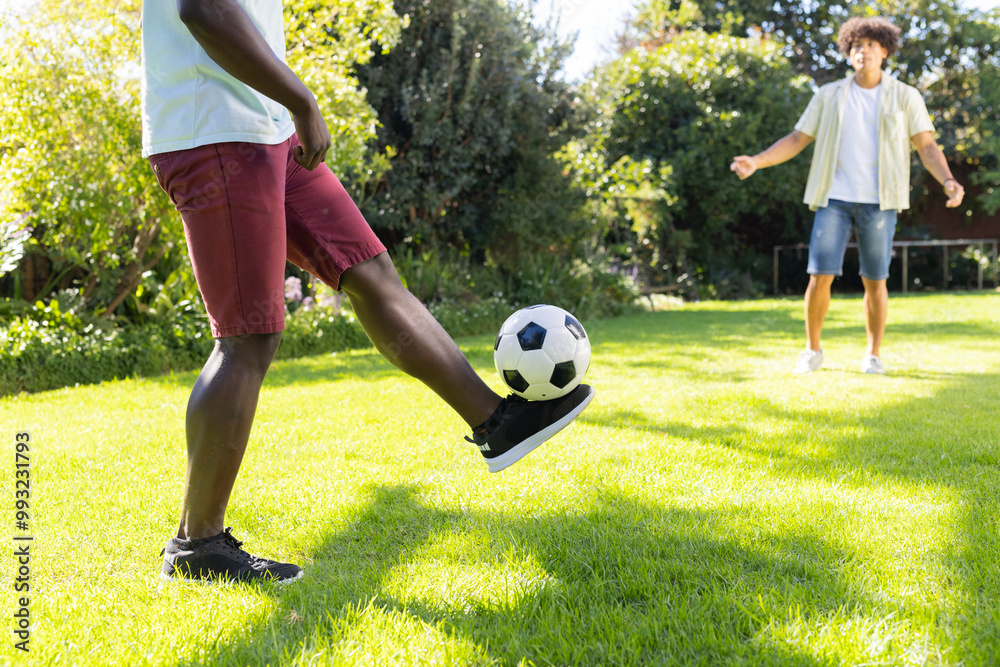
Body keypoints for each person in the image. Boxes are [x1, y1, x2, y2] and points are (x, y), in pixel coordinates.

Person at [142, 0, 594, 584]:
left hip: (268, 131)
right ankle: (196, 542)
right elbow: (203, 10)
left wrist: (288, 110)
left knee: (371, 272)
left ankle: (496, 422)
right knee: (248, 336)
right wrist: (302, 100)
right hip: (215, 133)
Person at [731, 16, 965, 375]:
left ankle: (873, 355)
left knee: (876, 280)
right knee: (819, 275)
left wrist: (948, 180)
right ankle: (812, 350)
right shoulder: (829, 96)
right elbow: (797, 139)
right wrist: (756, 162)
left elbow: (926, 145)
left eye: (871, 46)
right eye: (857, 46)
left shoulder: (905, 96)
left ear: (884, 52)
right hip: (833, 198)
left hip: (880, 202)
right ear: (848, 52)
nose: (863, 52)